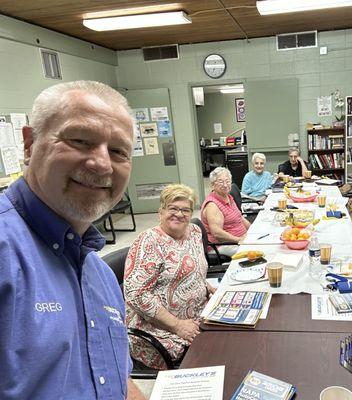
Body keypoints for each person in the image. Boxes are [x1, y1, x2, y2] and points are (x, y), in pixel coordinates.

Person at [0, 81, 145, 399]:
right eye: (80, 141)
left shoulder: (99, 274)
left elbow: (114, 379)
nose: (102, 164)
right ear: (29, 144)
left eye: (118, 151)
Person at [124, 184, 216, 370]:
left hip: (197, 314)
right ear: (161, 211)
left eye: (185, 210)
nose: (179, 214)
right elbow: (136, 294)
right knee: (214, 354)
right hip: (160, 330)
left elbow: (193, 271)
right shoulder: (149, 242)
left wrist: (208, 288)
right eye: (173, 208)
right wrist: (177, 326)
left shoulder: (194, 232)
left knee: (233, 334)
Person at [201, 167, 251, 256]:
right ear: (213, 185)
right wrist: (239, 239)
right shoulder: (212, 205)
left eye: (227, 181)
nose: (225, 185)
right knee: (255, 252)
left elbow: (240, 217)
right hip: (222, 245)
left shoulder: (228, 197)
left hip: (240, 239)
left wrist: (252, 230)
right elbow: (217, 233)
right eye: (220, 182)